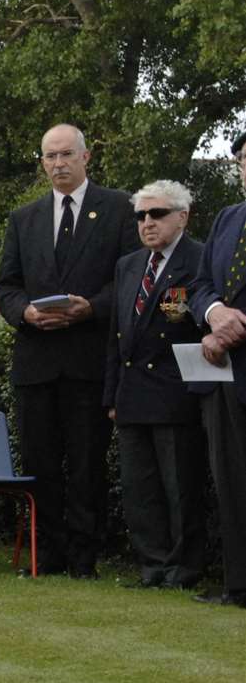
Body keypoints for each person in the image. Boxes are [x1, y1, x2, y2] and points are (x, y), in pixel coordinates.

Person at [0, 124, 137, 579]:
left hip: (88, 359)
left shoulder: (118, 209)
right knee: (39, 464)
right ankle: (45, 554)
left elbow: (131, 279)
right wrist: (25, 314)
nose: (57, 164)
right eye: (49, 157)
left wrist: (89, 308)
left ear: (85, 157)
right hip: (36, 363)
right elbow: (6, 286)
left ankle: (83, 558)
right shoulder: (25, 218)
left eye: (65, 155)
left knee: (87, 463)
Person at [102, 180, 207, 589]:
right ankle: (153, 565)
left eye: (157, 214)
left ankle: (184, 568)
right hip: (132, 393)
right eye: (141, 215)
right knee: (139, 487)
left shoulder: (199, 260)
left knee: (180, 485)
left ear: (182, 216)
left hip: (177, 391)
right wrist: (112, 394)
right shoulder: (129, 266)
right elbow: (116, 334)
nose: (147, 223)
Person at [189, 133, 246, 608]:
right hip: (229, 373)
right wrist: (212, 319)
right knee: (231, 480)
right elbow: (202, 284)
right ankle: (238, 584)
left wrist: (235, 324)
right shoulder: (228, 218)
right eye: (244, 160)